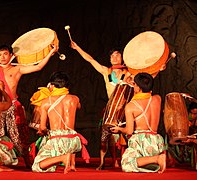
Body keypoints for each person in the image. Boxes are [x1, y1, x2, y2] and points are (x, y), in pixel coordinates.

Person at [0, 36, 58, 168]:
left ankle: (29, 162)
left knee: (18, 138)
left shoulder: (18, 69)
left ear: (11, 55)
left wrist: (51, 52)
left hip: (11, 106)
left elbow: (38, 67)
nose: (2, 57)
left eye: (5, 54)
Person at [71, 41, 130, 169]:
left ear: (122, 57)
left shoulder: (129, 73)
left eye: (117, 55)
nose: (114, 58)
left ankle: (123, 159)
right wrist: (77, 48)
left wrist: (159, 68)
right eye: (112, 56)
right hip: (110, 109)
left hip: (126, 109)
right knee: (107, 137)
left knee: (125, 138)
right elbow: (91, 60)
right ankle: (106, 161)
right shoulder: (106, 72)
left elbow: (146, 75)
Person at [32, 71, 90, 174]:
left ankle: (63, 158)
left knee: (37, 166)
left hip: (58, 141)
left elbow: (43, 128)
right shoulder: (75, 99)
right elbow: (79, 107)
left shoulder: (46, 102)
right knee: (69, 135)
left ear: (52, 85)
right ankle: (71, 163)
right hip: (73, 142)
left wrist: (43, 132)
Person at [110, 72, 166, 173]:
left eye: (134, 84)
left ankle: (156, 159)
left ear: (139, 88)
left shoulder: (131, 106)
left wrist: (119, 129)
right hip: (156, 142)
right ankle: (154, 159)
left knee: (126, 164)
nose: (133, 85)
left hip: (141, 143)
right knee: (143, 165)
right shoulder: (157, 99)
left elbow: (129, 131)